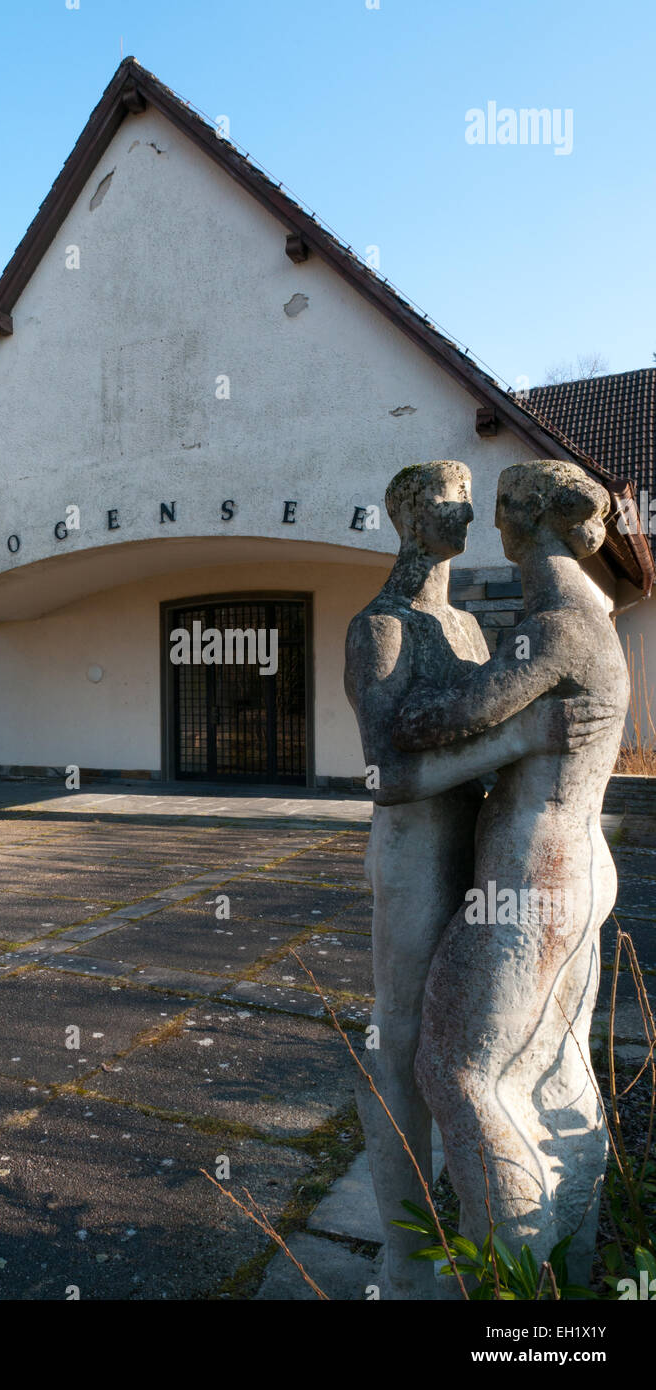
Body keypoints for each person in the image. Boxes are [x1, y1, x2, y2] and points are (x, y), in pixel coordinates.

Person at [344, 460, 605, 1298]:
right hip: (417, 859)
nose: (467, 515)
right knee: (400, 1046)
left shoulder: (465, 629)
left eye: (473, 502)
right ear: (409, 515)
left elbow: (477, 721)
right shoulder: (380, 627)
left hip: (481, 858)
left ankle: (495, 1240)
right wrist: (519, 741)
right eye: (450, 502)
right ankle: (405, 1255)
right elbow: (386, 776)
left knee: (482, 1054)